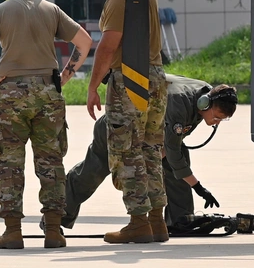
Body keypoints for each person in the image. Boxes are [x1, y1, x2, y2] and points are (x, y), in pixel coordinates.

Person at [0, 0, 91, 250]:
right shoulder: (51, 9)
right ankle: (54, 232)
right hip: (48, 92)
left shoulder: (0, 11)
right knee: (51, 162)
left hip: (10, 93)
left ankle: (12, 232)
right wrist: (65, 77)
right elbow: (84, 42)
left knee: (9, 162)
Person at [62, 75, 237, 231]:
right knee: (92, 172)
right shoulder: (180, 104)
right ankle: (57, 215)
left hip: (146, 133)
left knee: (175, 163)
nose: (217, 123)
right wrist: (199, 188)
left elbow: (169, 148)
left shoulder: (205, 95)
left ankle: (180, 220)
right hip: (119, 128)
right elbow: (172, 152)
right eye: (217, 117)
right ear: (204, 104)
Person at [86, 0, 169, 244]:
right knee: (150, 149)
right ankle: (157, 221)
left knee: (126, 151)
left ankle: (138, 222)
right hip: (156, 76)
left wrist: (93, 87)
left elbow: (108, 47)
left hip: (130, 79)